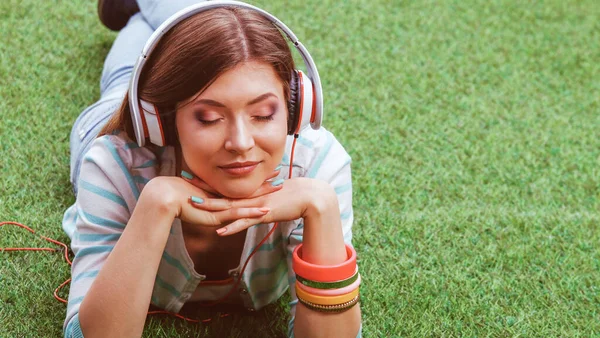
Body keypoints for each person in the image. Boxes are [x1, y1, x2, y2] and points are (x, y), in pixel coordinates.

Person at [62, 0, 361, 337]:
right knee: (123, 76)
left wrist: (321, 206)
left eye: (263, 114)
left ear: (296, 108)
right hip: (105, 121)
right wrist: (156, 203)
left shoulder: (317, 164)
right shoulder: (116, 165)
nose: (241, 143)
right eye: (209, 118)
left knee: (210, 26)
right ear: (163, 120)